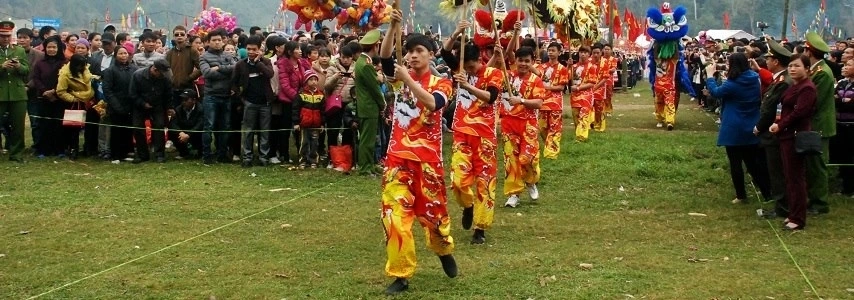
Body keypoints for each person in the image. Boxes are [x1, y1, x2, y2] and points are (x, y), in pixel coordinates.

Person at [377, 9, 457, 295]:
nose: (412, 56)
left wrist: (408, 80)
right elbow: (386, 58)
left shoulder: (443, 82)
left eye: (419, 51)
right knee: (395, 217)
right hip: (398, 159)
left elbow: (434, 105)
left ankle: (443, 249)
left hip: (428, 162)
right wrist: (392, 27)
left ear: (431, 54)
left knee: (434, 218)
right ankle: (401, 274)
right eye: (409, 51)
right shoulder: (400, 75)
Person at [442, 20, 503, 245]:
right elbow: (444, 51)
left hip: (485, 135)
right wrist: (457, 31)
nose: (467, 71)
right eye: (464, 67)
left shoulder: (493, 73)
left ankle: (480, 227)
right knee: (458, 180)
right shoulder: (458, 68)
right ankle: (467, 206)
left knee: (485, 182)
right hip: (462, 133)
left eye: (470, 67)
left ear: (478, 60)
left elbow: (491, 97)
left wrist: (467, 85)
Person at [704, 52, 772, 203]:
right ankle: (767, 193)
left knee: (735, 163)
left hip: (733, 126)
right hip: (752, 124)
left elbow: (716, 93)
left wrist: (710, 76)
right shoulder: (754, 78)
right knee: (753, 164)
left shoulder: (732, 83)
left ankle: (741, 195)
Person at [769, 54, 817, 231]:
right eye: (790, 66)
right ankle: (793, 212)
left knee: (796, 178)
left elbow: (799, 113)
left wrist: (780, 125)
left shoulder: (807, 88)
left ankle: (798, 217)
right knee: (789, 177)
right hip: (786, 135)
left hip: (796, 135)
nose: (792, 69)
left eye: (797, 66)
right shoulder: (794, 86)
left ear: (807, 69)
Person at [500, 46, 546, 208]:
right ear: (515, 61)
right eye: (520, 60)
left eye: (527, 61)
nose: (523, 64)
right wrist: (502, 51)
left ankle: (531, 181)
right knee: (511, 161)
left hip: (528, 126)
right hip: (508, 124)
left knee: (528, 159)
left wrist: (521, 101)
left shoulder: (536, 81)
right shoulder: (506, 77)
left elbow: (539, 103)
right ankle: (514, 194)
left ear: (532, 62)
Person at [754, 39, 793, 218]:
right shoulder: (780, 79)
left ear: (776, 62)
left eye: (769, 59)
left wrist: (759, 126)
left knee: (778, 172)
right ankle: (782, 205)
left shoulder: (784, 82)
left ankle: (783, 208)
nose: (766, 62)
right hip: (773, 131)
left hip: (775, 132)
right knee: (777, 170)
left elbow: (771, 108)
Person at [802, 32, 836, 215]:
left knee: (818, 165)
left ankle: (820, 203)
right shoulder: (817, 70)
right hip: (816, 124)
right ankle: (813, 198)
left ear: (809, 51)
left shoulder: (822, 74)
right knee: (811, 164)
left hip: (820, 124)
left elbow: (816, 101)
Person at [233, 35, 275, 167]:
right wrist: (242, 98)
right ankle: (247, 157)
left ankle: (264, 157)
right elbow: (233, 83)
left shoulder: (266, 62)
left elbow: (270, 74)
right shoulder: (241, 64)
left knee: (265, 131)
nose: (251, 52)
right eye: (248, 49)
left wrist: (258, 62)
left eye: (254, 49)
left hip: (265, 102)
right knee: (248, 131)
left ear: (259, 49)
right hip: (249, 102)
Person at [200, 28, 237, 164]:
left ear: (223, 41)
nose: (217, 43)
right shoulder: (204, 56)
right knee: (209, 126)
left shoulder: (228, 55)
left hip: (226, 95)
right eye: (214, 40)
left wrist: (219, 68)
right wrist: (223, 70)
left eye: (219, 40)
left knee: (225, 126)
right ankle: (207, 155)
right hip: (211, 96)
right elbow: (207, 73)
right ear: (208, 42)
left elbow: (235, 68)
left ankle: (222, 154)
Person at [129, 59, 172, 163]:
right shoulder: (138, 75)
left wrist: (169, 107)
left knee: (159, 126)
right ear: (154, 69)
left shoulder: (165, 78)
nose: (163, 75)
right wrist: (143, 103)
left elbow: (168, 94)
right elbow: (132, 94)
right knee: (138, 128)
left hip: (157, 105)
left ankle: (159, 154)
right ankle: (142, 154)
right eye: (161, 73)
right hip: (140, 105)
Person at [354, 29, 384, 176]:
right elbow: (375, 89)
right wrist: (383, 103)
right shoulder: (366, 64)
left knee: (370, 138)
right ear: (375, 46)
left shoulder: (363, 61)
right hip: (369, 106)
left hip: (366, 106)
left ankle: (370, 165)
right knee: (367, 139)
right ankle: (365, 168)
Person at [31, 35, 66, 158]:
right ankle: (43, 150)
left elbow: (65, 80)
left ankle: (59, 150)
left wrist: (54, 91)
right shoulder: (40, 63)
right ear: (45, 48)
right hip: (43, 98)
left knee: (58, 124)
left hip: (59, 98)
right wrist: (44, 91)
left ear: (58, 48)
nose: (51, 49)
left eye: (54, 47)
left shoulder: (64, 63)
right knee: (44, 124)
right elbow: (36, 78)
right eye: (49, 47)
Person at [533, 42, 569, 159]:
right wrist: (534, 65)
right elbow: (532, 75)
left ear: (559, 52)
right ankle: (548, 145)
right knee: (542, 127)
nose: (550, 52)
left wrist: (546, 87)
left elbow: (561, 87)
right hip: (542, 102)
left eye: (553, 50)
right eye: (549, 50)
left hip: (555, 103)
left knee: (554, 127)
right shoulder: (541, 67)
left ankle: (551, 153)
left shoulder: (562, 69)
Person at [0, 21, 30, 162]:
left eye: (7, 35)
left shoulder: (19, 50)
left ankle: (16, 154)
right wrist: (2, 67)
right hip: (1, 93)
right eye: (2, 36)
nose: (5, 38)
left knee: (18, 126)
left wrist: (18, 66)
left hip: (17, 94)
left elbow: (26, 70)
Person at [323, 42, 357, 164]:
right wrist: (335, 77)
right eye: (343, 57)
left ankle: (346, 157)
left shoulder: (357, 68)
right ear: (339, 56)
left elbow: (362, 86)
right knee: (333, 130)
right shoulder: (332, 68)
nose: (346, 60)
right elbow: (326, 86)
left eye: (348, 57)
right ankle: (332, 157)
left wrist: (355, 78)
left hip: (350, 104)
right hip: (336, 104)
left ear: (352, 57)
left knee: (348, 130)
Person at [102, 46, 137, 162]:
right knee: (117, 131)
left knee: (128, 130)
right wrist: (116, 106)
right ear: (116, 55)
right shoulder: (110, 71)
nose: (123, 56)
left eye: (125, 53)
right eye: (120, 54)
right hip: (116, 105)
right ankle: (116, 154)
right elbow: (107, 90)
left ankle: (127, 151)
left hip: (131, 105)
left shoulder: (134, 69)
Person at [56, 54, 94, 160]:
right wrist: (73, 99)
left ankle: (88, 148)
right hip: (74, 104)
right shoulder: (65, 74)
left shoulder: (86, 70)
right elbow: (60, 91)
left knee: (90, 126)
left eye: (83, 66)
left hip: (88, 101)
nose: (81, 68)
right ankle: (73, 149)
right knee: (73, 128)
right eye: (79, 66)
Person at [16, 27, 44, 157]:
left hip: (33, 93)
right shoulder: (11, 53)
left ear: (31, 39)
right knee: (15, 122)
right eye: (20, 37)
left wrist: (28, 86)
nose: (22, 40)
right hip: (16, 92)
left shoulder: (39, 55)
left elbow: (38, 74)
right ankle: (16, 146)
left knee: (35, 121)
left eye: (25, 38)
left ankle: (37, 146)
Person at [292, 70, 325, 168]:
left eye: (315, 79)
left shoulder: (320, 95)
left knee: (315, 143)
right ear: (306, 81)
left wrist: (322, 123)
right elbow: (295, 109)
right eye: (311, 80)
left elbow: (323, 111)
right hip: (304, 124)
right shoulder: (301, 94)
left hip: (316, 124)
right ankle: (303, 160)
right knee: (304, 143)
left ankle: (313, 160)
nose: (314, 82)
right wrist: (296, 122)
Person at [166, 25, 201, 109]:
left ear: (186, 36)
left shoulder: (192, 50)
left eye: (182, 34)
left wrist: (189, 78)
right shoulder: (170, 53)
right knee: (175, 113)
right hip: (173, 89)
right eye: (176, 34)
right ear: (173, 37)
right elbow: (166, 69)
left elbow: (201, 67)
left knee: (187, 111)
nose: (179, 36)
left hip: (187, 88)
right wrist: (170, 79)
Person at [832, 59, 854, 196]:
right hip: (840, 124)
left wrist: (845, 102)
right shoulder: (841, 83)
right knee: (842, 156)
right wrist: (843, 101)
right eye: (845, 65)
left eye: (849, 65)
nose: (844, 67)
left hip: (852, 126)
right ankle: (845, 188)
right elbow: (834, 99)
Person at [569, 46, 597, 142]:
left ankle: (581, 137)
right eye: (581, 52)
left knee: (583, 116)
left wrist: (578, 88)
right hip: (574, 96)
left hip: (586, 95)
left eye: (585, 52)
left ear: (589, 54)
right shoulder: (574, 66)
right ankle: (578, 133)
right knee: (575, 115)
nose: (583, 54)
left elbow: (592, 83)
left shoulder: (591, 67)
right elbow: (566, 77)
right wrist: (568, 66)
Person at [168, 89, 204, 159]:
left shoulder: (201, 109)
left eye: (186, 99)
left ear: (194, 100)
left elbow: (200, 124)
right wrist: (180, 132)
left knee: (204, 133)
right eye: (182, 99)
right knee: (172, 132)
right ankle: (184, 153)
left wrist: (189, 134)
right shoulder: (178, 109)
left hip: (195, 134)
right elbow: (173, 123)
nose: (183, 102)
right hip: (183, 133)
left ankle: (201, 152)